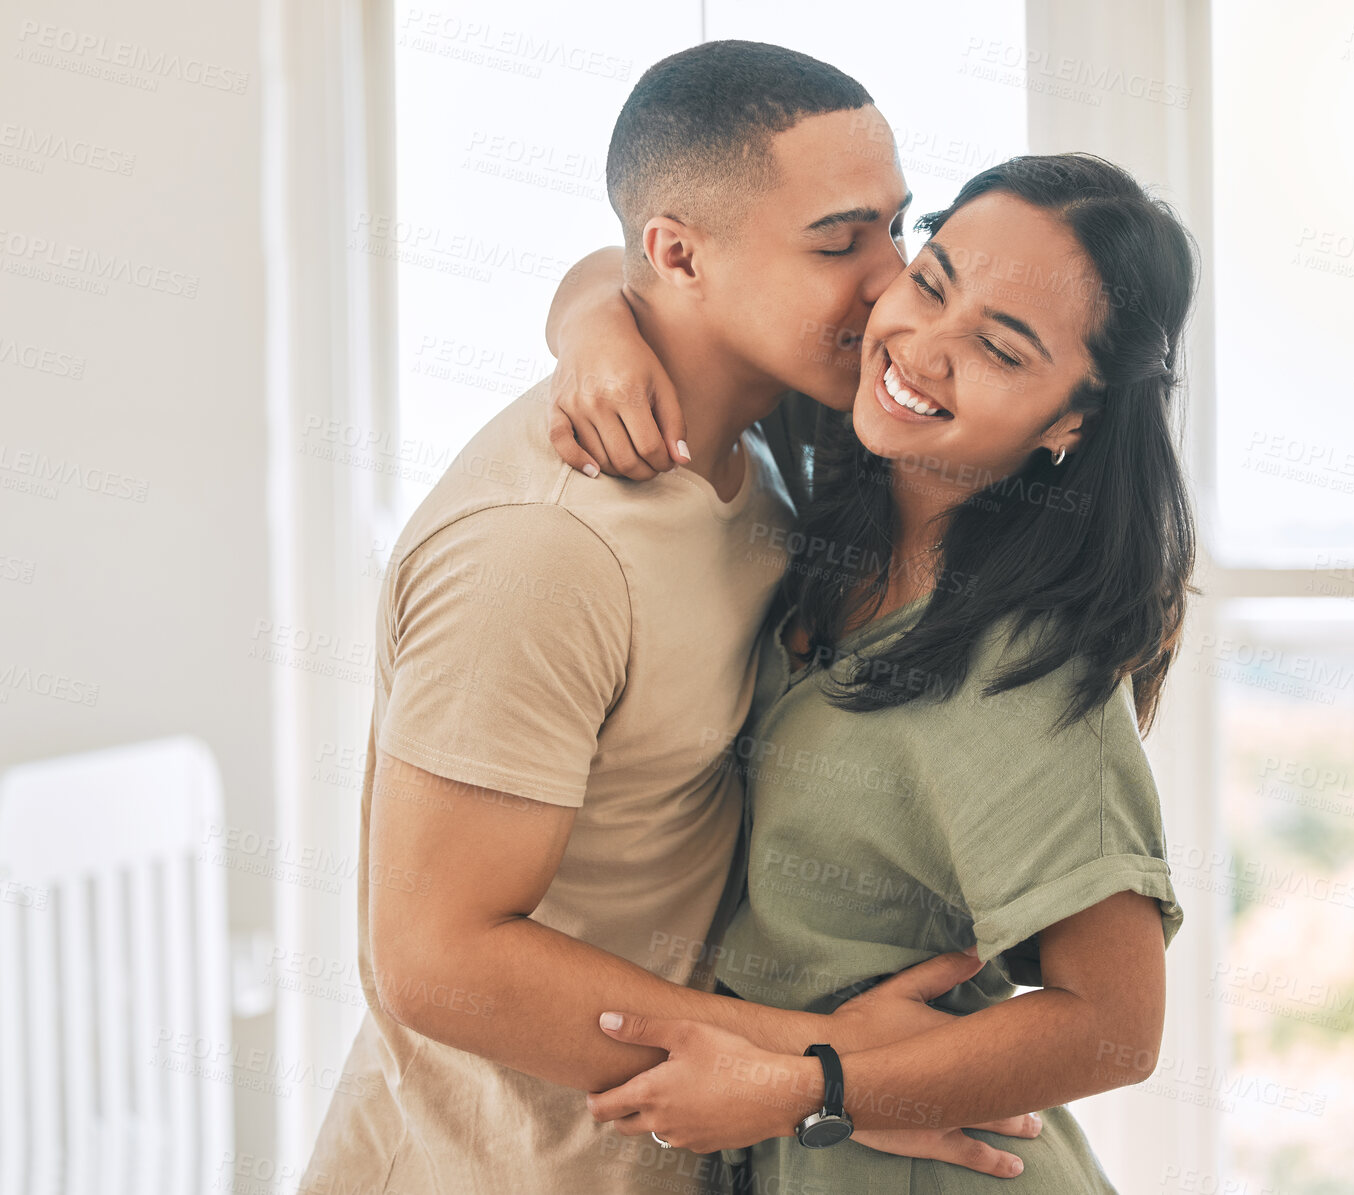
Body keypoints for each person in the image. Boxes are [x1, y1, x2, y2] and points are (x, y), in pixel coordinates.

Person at [300, 41, 1044, 1195]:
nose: (887, 279)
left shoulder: (770, 447)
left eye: (894, 229)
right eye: (837, 241)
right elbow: (433, 960)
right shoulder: (543, 547)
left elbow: (614, 261)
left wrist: (590, 309)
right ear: (680, 255)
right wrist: (826, 1067)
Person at [545, 151, 1197, 1191]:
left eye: (997, 347)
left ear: (1072, 418)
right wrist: (589, 332)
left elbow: (1118, 1028)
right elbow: (642, 263)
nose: (921, 350)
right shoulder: (854, 446)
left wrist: (811, 1085)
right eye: (932, 281)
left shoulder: (1020, 669)